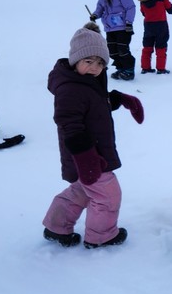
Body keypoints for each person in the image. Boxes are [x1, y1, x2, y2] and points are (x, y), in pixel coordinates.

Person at [42, 23, 144, 249]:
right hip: (88, 155)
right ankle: (101, 236)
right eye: (88, 61)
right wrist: (87, 159)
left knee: (80, 191)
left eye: (100, 63)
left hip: (88, 155)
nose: (94, 68)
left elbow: (94, 104)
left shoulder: (85, 82)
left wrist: (121, 99)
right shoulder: (69, 89)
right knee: (108, 196)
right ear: (75, 60)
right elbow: (70, 124)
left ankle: (56, 227)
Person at [92, 0, 136, 81]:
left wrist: (129, 22)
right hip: (110, 27)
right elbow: (100, 7)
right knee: (112, 50)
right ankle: (120, 69)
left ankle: (129, 70)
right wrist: (95, 15)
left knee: (122, 50)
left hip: (123, 27)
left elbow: (130, 7)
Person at [137, 0, 172, 74]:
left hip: (148, 26)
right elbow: (171, 10)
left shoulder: (143, 0)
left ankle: (145, 68)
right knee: (161, 47)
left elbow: (143, 13)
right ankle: (161, 68)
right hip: (161, 26)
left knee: (147, 47)